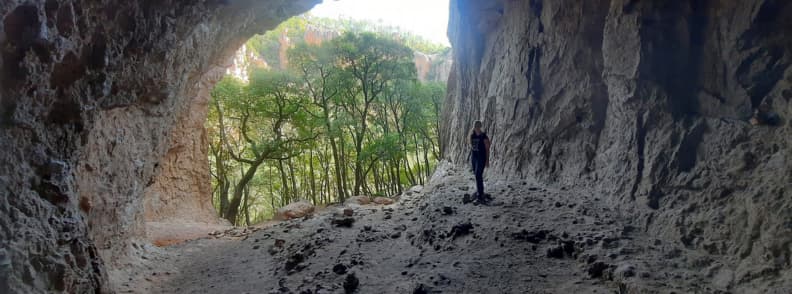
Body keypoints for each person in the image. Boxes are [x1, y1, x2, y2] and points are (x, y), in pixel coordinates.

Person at [469, 120, 490, 202]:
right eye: (475, 126)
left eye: (478, 126)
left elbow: (487, 149)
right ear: (474, 127)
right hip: (474, 157)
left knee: (478, 174)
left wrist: (487, 160)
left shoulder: (484, 136)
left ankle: (480, 194)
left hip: (481, 157)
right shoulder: (472, 135)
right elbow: (471, 146)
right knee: (476, 174)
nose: (477, 128)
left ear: (480, 127)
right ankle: (479, 191)